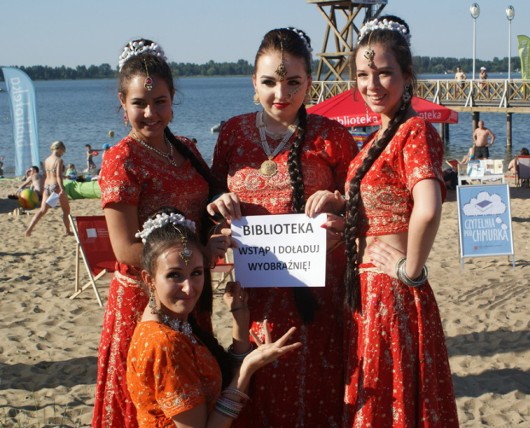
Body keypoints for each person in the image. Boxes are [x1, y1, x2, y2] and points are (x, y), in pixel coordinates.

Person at [208, 27, 358, 426]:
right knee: (258, 388)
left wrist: (338, 207)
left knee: (316, 391)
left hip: (319, 295)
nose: (282, 94)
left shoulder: (334, 136)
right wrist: (217, 205)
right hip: (252, 295)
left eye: (293, 82)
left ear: (310, 82)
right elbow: (208, 202)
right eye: (270, 82)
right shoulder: (233, 134)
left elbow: (364, 211)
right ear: (253, 83)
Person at [93, 38, 223, 427]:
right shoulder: (122, 160)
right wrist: (199, 254)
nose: (150, 113)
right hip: (146, 298)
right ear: (122, 102)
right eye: (139, 104)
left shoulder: (184, 148)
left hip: (189, 291)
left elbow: (205, 207)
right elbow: (125, 249)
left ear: (173, 99)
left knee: (194, 396)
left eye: (160, 102)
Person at [342, 15, 458, 426]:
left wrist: (409, 269)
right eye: (362, 74)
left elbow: (428, 207)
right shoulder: (380, 136)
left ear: (407, 75)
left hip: (390, 291)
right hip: (368, 290)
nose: (372, 85)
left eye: (384, 73)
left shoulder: (414, 131)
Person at [127, 208, 301, 427]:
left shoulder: (175, 323)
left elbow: (215, 380)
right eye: (174, 275)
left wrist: (239, 317)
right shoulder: (166, 343)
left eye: (196, 273)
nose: (189, 288)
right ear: (149, 278)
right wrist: (247, 370)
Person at [25, 141, 72, 237]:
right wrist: (62, 188)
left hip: (47, 186)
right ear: (59, 149)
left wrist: (64, 177)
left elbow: (48, 175)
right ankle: (67, 230)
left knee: (42, 210)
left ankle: (29, 230)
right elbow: (58, 176)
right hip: (56, 187)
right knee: (66, 211)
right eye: (63, 150)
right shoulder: (59, 160)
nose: (63, 152)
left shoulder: (47, 160)